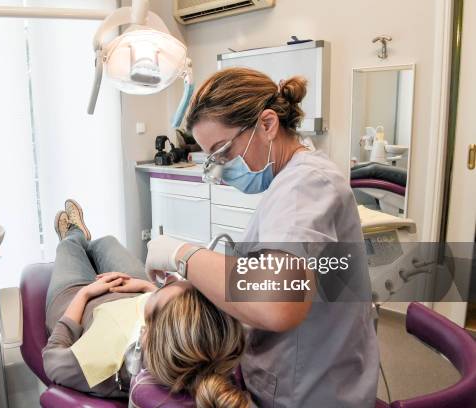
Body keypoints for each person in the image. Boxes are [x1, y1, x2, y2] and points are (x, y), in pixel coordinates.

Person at [145, 67, 379, 408]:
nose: (221, 169)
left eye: (223, 151)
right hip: (308, 375)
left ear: (267, 125)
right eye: (213, 158)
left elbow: (278, 302)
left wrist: (184, 255)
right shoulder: (294, 180)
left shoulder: (304, 185)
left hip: (308, 391)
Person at [43, 199, 249, 407]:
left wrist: (85, 294)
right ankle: (85, 238)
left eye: (167, 287)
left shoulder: (105, 365)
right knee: (106, 242)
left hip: (79, 300)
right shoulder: (177, 336)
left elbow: (52, 359)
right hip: (130, 287)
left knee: (70, 247)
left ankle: (73, 232)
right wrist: (145, 287)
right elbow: (171, 313)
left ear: (147, 330)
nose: (168, 278)